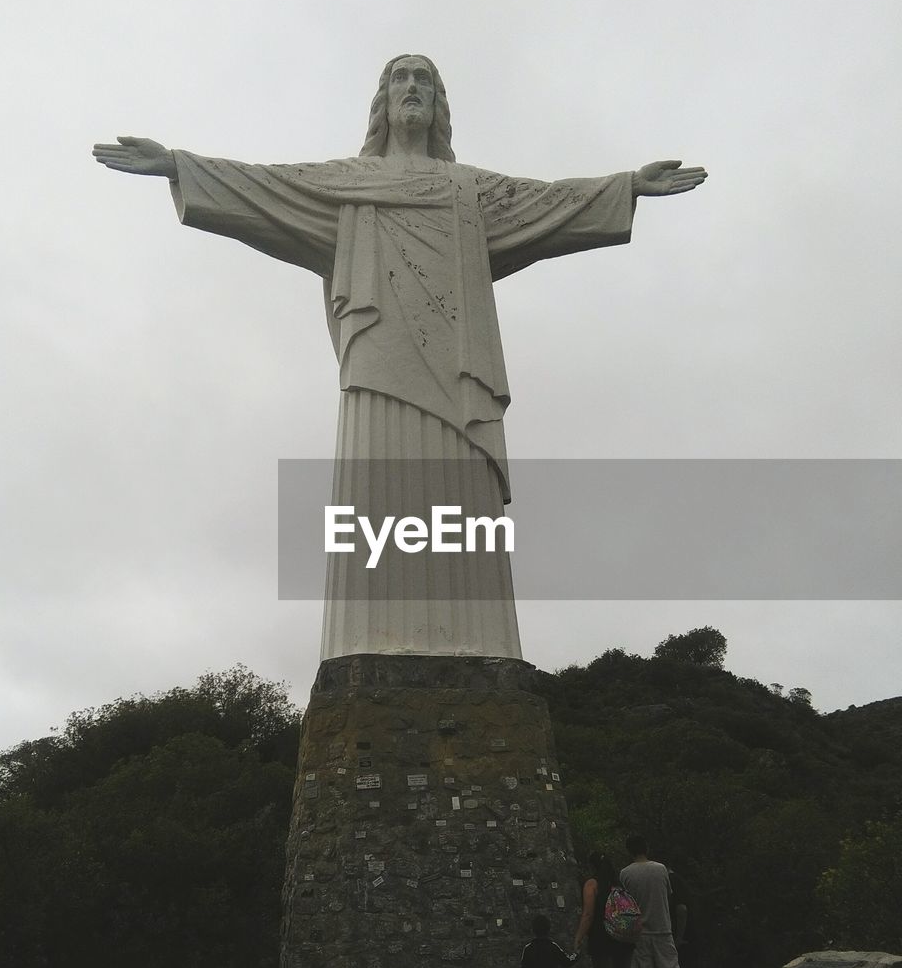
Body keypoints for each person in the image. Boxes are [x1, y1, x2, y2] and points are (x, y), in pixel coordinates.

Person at [93, 55, 707, 662]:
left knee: (463, 497)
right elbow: (263, 186)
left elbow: (547, 204)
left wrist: (626, 186)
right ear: (382, 103)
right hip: (377, 366)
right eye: (398, 78)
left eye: (424, 80)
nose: (410, 88)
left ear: (439, 105)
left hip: (460, 372)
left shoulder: (470, 190)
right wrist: (177, 165)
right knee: (373, 491)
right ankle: (364, 648)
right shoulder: (345, 184)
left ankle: (479, 648)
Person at [620, 833, 684, 968]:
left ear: (629, 851)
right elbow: (669, 896)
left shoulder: (625, 874)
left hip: (640, 934)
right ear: (646, 848)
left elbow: (624, 904)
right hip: (663, 931)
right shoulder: (661, 869)